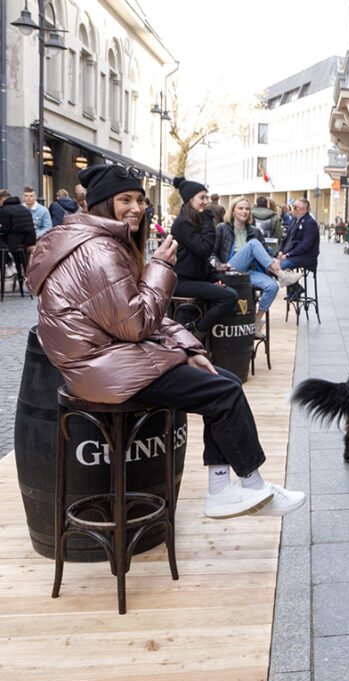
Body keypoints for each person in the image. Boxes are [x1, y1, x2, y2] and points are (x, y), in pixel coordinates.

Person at [25, 164, 304, 518]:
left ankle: (226, 487)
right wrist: (159, 267)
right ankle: (249, 485)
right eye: (125, 199)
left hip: (109, 356)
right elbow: (138, 323)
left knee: (224, 381)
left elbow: (139, 318)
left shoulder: (98, 242)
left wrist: (190, 349)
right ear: (100, 205)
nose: (136, 208)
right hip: (101, 368)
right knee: (224, 392)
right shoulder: (98, 251)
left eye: (140, 200)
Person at [213, 196, 299, 338]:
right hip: (229, 269)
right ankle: (283, 275)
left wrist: (273, 261)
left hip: (248, 271)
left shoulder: (255, 231)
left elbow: (264, 252)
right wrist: (220, 266)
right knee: (253, 244)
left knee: (273, 286)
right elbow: (212, 254)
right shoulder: (222, 228)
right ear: (233, 211)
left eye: (247, 209)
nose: (244, 211)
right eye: (240, 208)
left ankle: (256, 322)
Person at [170, 176, 238, 342]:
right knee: (229, 296)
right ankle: (197, 334)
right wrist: (208, 222)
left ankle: (203, 336)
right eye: (202, 197)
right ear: (190, 199)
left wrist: (214, 277)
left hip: (194, 279)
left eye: (206, 197)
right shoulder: (183, 223)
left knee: (227, 292)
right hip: (181, 282)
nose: (205, 201)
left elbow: (200, 259)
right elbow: (205, 249)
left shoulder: (193, 220)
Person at [276, 198, 319, 300]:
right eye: (293, 207)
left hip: (306, 256)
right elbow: (286, 239)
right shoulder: (294, 220)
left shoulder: (310, 223)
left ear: (304, 210)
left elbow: (306, 245)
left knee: (283, 266)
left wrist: (288, 255)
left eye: (295, 207)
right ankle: (293, 289)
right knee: (272, 264)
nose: (292, 209)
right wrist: (281, 251)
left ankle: (296, 289)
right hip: (293, 254)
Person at [1, 189, 36, 283]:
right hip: (26, 242)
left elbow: (6, 229)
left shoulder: (5, 210)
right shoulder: (23, 208)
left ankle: (8, 266)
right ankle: (13, 268)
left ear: (3, 199)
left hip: (13, 243)